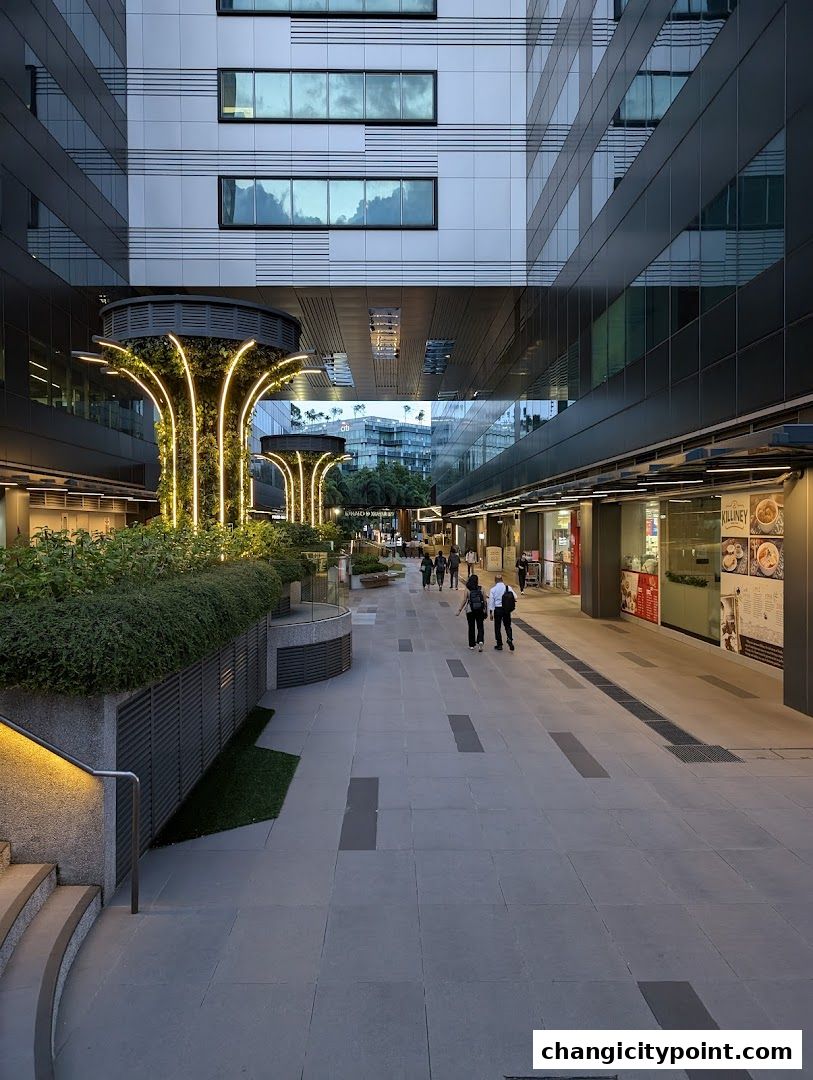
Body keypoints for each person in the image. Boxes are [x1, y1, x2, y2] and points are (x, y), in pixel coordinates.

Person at [456, 573, 486, 651]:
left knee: (471, 627)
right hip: (480, 610)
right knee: (480, 626)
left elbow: (464, 600)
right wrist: (485, 609)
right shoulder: (482, 589)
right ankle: (480, 640)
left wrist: (459, 610)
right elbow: (485, 600)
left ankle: (471, 645)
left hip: (470, 610)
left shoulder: (467, 589)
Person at [488, 573, 516, 651]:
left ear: (495, 580)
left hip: (498, 610)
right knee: (507, 625)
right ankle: (509, 638)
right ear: (502, 580)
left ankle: (499, 644)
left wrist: (491, 613)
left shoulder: (493, 589)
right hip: (506, 609)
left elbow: (491, 602)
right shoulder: (508, 588)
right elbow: (515, 596)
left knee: (497, 627)